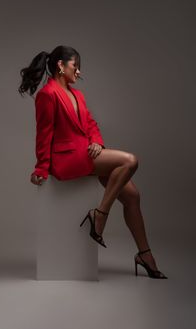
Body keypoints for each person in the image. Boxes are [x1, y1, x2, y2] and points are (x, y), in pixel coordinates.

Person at [18, 45, 168, 279]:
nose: (78, 72)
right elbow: (44, 133)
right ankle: (100, 215)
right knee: (130, 161)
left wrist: (97, 142)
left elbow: (91, 125)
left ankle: (144, 255)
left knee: (132, 196)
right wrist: (41, 167)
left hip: (87, 153)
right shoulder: (48, 95)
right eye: (75, 66)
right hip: (67, 159)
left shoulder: (78, 95)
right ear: (61, 65)